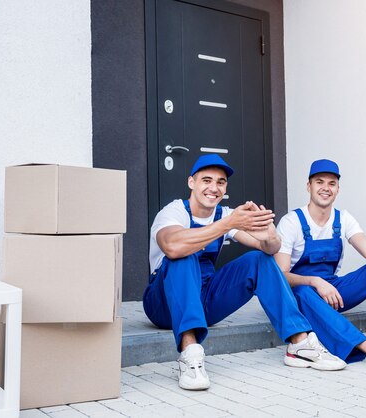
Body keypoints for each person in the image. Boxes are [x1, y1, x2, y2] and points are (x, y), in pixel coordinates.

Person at [143, 154, 346, 391]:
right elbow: (172, 246)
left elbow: (269, 250)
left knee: (259, 260)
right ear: (192, 183)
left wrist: (269, 237)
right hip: (162, 304)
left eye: (220, 182)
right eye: (206, 180)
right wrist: (229, 224)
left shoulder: (225, 214)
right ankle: (190, 353)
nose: (213, 188)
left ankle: (299, 343)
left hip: (204, 301)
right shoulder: (174, 211)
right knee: (185, 254)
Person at [274, 159, 366, 370]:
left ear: (337, 189)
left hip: (333, 293)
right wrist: (315, 281)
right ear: (309, 186)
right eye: (319, 182)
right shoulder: (291, 222)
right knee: (302, 292)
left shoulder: (343, 219)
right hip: (299, 295)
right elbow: (280, 276)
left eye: (331, 183)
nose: (325, 188)